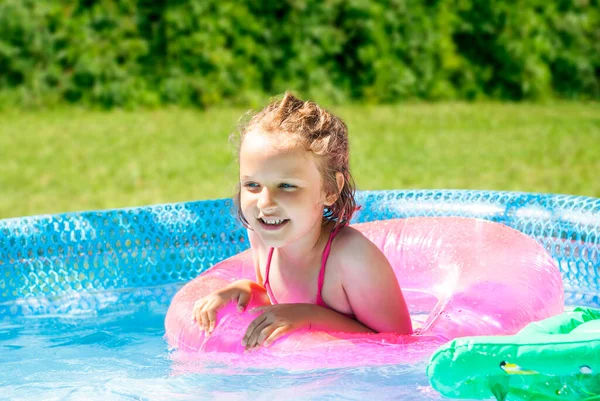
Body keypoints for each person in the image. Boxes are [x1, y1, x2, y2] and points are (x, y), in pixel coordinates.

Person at [192, 92, 412, 351]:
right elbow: (279, 300)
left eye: (286, 185)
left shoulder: (352, 258)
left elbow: (401, 344)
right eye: (252, 185)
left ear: (330, 189)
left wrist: (308, 317)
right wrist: (245, 291)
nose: (265, 203)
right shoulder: (263, 237)